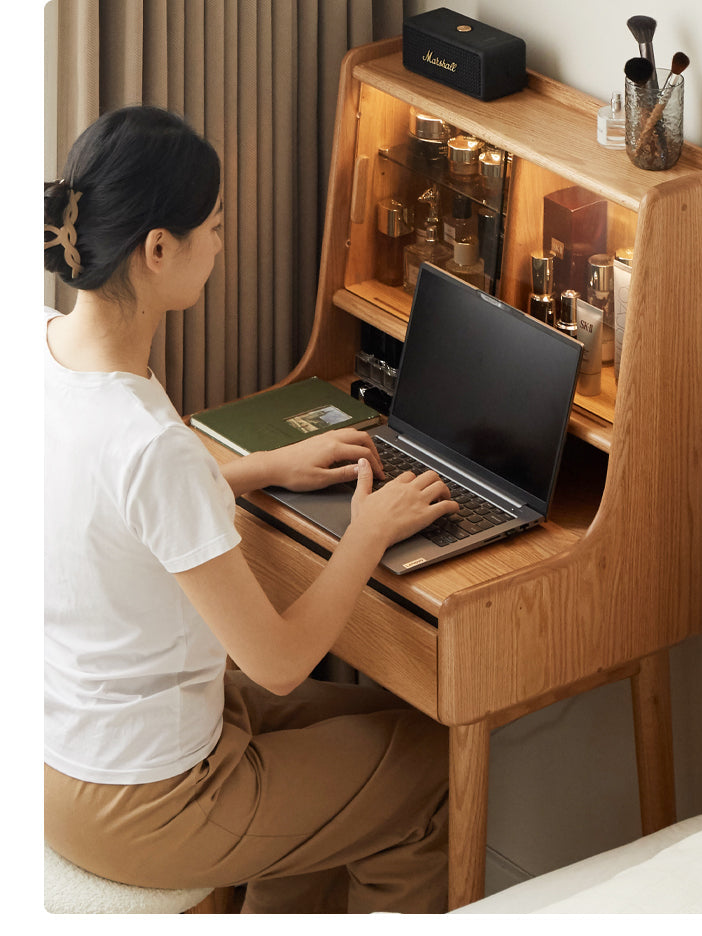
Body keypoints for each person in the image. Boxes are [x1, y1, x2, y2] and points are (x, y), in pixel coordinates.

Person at [44, 105, 458, 914]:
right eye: (216, 227)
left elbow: (112, 502)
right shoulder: (149, 444)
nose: (223, 244)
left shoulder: (37, 349)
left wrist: (260, 466)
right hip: (147, 799)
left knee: (389, 714)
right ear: (159, 249)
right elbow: (277, 662)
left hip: (57, 753)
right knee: (436, 768)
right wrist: (366, 534)